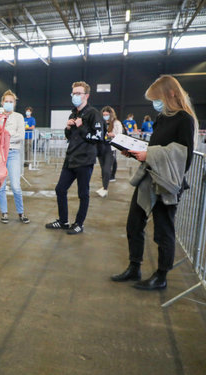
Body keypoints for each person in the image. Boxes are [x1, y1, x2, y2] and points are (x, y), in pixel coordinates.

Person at [111, 75, 197, 290]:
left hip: (167, 183)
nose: (154, 103)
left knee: (163, 231)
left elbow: (183, 156)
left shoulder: (184, 120)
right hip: (148, 178)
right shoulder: (162, 118)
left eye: (156, 98)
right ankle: (134, 267)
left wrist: (149, 154)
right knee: (134, 224)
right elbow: (154, 146)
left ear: (170, 94)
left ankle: (161, 275)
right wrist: (132, 149)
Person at [45, 81, 103, 234]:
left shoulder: (93, 114)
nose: (75, 96)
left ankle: (79, 223)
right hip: (71, 158)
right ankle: (63, 221)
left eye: (79, 93)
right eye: (74, 93)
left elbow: (98, 137)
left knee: (83, 193)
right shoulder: (73, 113)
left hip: (85, 160)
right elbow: (70, 136)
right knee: (60, 189)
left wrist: (81, 126)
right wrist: (68, 128)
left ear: (86, 96)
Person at [0, 90, 30, 225]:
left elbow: (20, 136)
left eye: (11, 102)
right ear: (2, 102)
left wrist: (5, 136)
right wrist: (9, 136)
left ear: (15, 103)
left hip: (13, 154)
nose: (8, 103)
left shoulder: (19, 117)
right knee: (1, 186)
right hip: (0, 155)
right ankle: (4, 212)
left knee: (16, 186)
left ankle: (21, 212)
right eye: (6, 101)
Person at [96, 106, 124, 196]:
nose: (105, 116)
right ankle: (104, 186)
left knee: (107, 168)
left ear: (111, 114)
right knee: (103, 168)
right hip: (100, 147)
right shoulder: (100, 122)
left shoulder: (116, 123)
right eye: (103, 114)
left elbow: (120, 134)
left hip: (110, 148)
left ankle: (105, 188)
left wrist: (113, 134)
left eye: (107, 114)